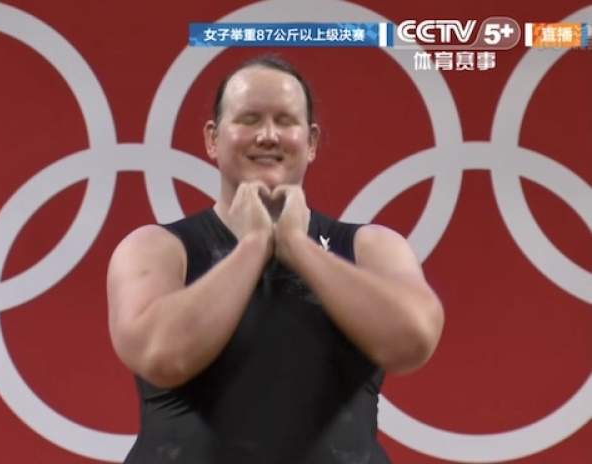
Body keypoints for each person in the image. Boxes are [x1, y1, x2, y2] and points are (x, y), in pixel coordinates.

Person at [106, 55, 444, 463]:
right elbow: (162, 355)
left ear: (311, 141)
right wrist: (253, 245)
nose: (268, 136)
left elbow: (412, 341)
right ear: (213, 139)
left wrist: (298, 246)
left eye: (285, 121)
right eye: (248, 119)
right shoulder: (157, 248)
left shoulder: (371, 247)